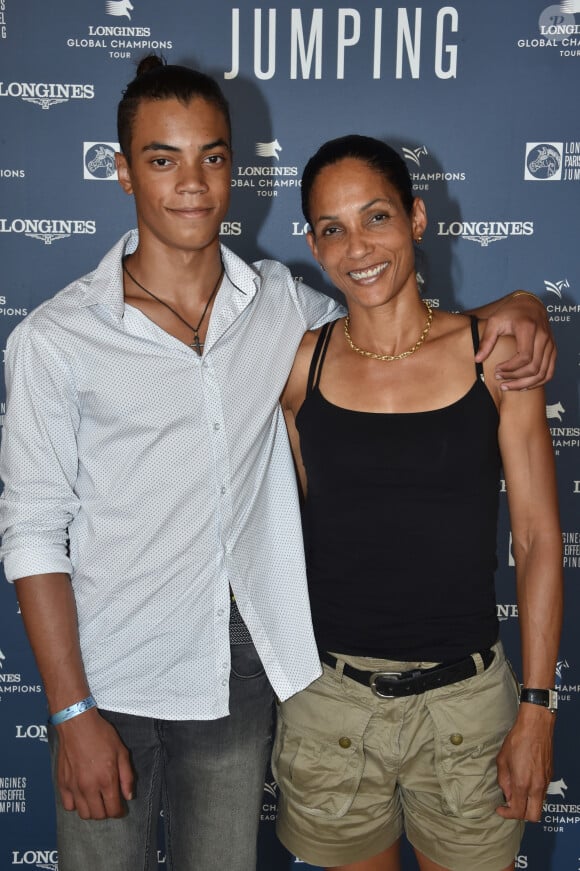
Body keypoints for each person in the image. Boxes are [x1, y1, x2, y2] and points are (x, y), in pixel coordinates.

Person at [0, 57, 555, 871]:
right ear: (123, 171)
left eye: (212, 157)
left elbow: (398, 326)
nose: (192, 183)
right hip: (116, 680)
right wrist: (70, 707)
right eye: (163, 159)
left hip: (248, 673)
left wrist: (521, 309)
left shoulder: (280, 307)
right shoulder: (59, 338)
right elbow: (32, 533)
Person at [273, 135, 563, 871]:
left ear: (418, 217)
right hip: (331, 707)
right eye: (332, 228)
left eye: (376, 217)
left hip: (469, 710)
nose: (357, 246)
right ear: (312, 242)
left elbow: (535, 540)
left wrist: (537, 706)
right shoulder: (298, 367)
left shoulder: (497, 359)